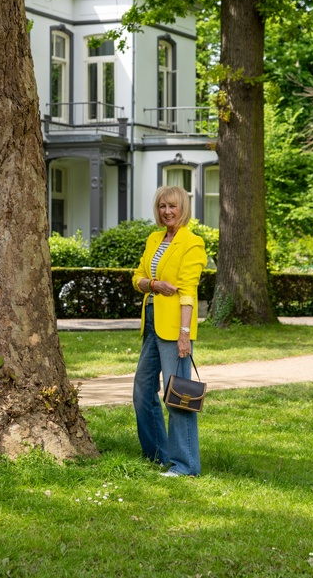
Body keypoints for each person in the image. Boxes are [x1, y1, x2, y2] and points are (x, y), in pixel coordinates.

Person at [132, 185, 207, 477]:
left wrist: (185, 333)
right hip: (150, 320)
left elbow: (188, 292)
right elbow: (137, 277)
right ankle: (158, 456)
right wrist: (154, 285)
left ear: (183, 208)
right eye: (162, 206)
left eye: (172, 206)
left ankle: (185, 465)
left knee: (178, 395)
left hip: (176, 327)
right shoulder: (154, 239)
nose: (167, 212)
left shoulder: (192, 242)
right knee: (142, 391)